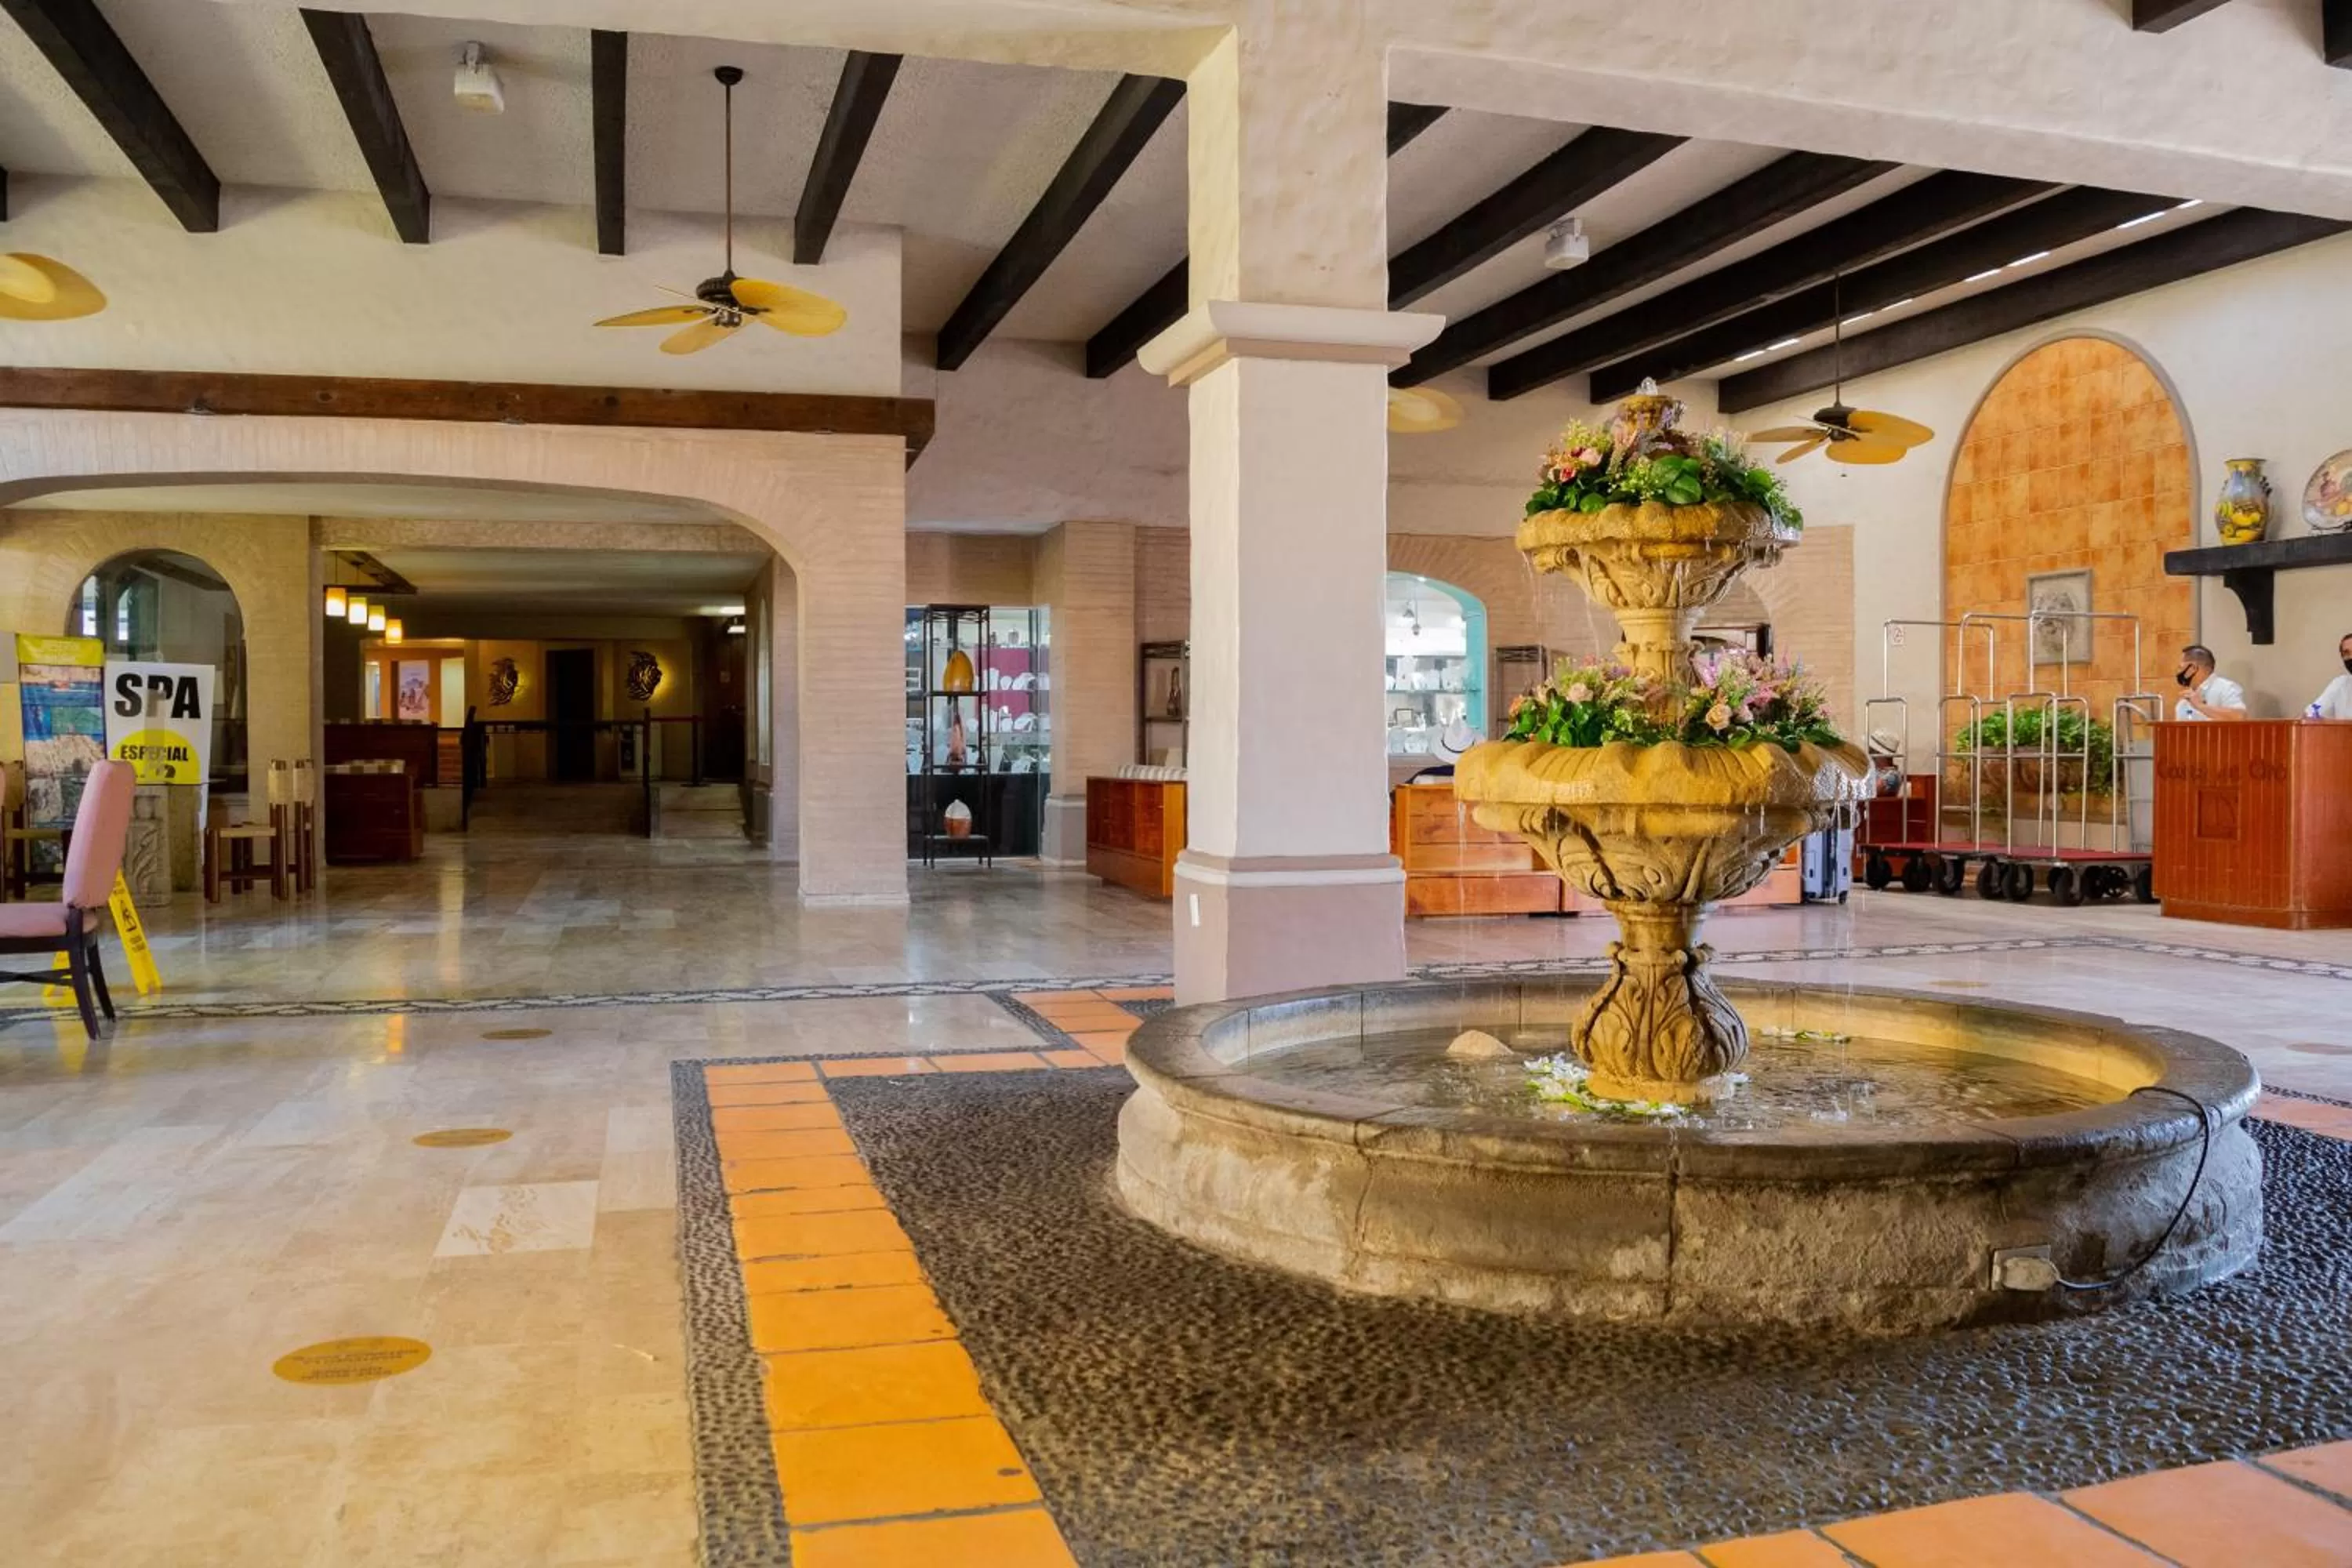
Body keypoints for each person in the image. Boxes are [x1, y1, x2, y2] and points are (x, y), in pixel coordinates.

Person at [2173, 644, 2247, 721]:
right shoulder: (2184, 702)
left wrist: (2200, 706)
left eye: (2180, 667)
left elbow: (2240, 716)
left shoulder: (2226, 688)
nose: (2178, 672)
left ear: (2193, 668)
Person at [2307, 632, 2352, 720]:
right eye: (2346, 653)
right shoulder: (2340, 684)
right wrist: (2309, 716)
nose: (2351, 657)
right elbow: (2312, 713)